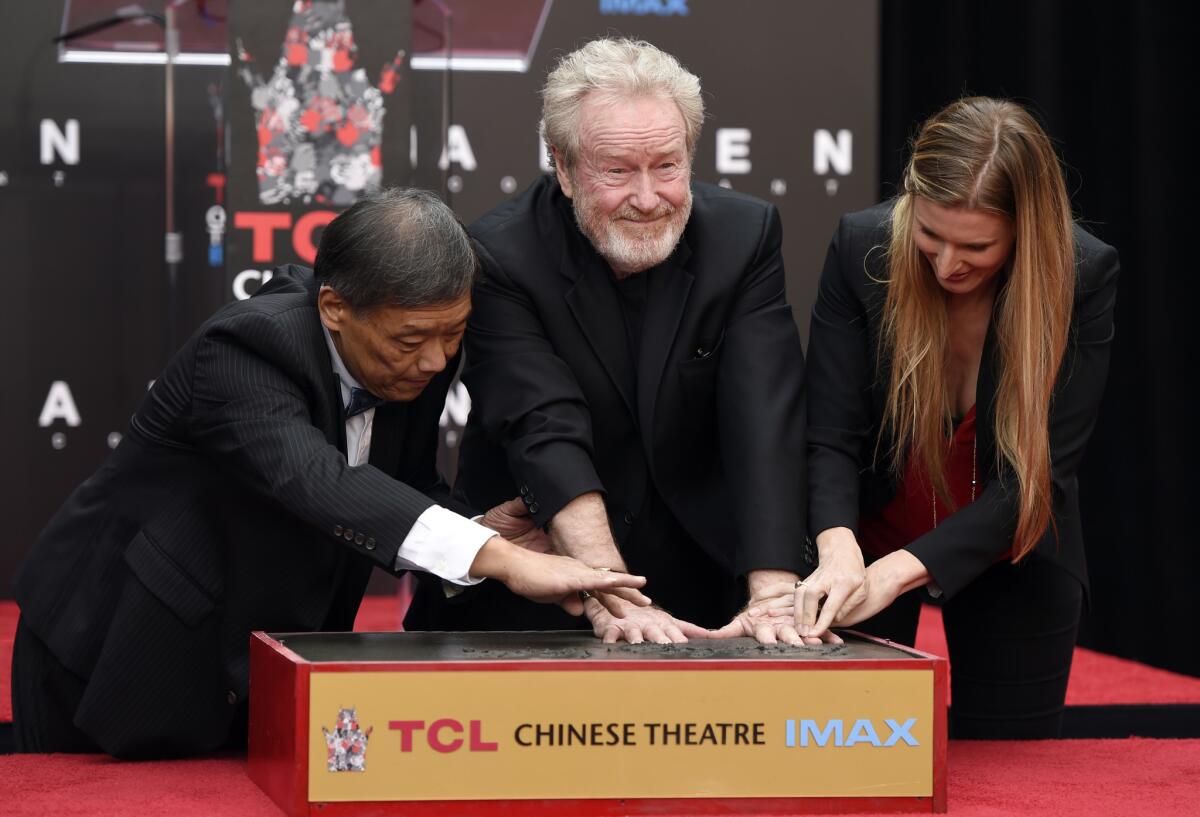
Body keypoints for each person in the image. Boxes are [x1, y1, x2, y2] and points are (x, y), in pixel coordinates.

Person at [10, 188, 648, 758]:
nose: (434, 360)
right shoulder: (244, 349)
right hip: (112, 650)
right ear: (336, 307)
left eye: (453, 336)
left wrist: (481, 529)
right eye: (410, 340)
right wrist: (499, 560)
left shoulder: (410, 356)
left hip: (254, 671)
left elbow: (400, 485)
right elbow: (316, 484)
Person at [404, 38, 822, 646]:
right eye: (618, 171)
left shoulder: (744, 236)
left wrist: (775, 592)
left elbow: (765, 419)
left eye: (667, 166)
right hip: (545, 573)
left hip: (700, 573)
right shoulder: (501, 254)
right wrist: (611, 590)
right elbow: (544, 427)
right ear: (565, 168)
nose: (648, 199)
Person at [791, 97, 1120, 738]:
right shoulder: (863, 248)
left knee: (1014, 777)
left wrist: (897, 572)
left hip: (1014, 552)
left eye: (976, 246)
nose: (947, 265)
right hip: (864, 541)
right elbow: (830, 434)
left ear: (1026, 228)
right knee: (848, 771)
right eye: (930, 236)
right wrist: (837, 549)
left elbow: (1036, 480)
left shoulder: (1082, 273)